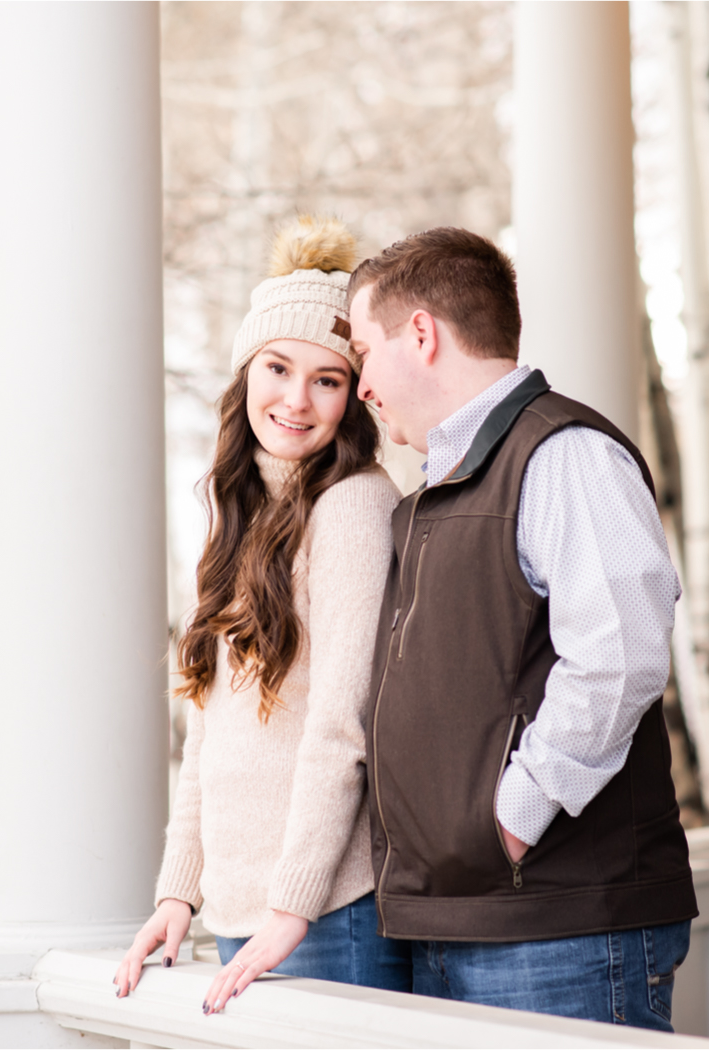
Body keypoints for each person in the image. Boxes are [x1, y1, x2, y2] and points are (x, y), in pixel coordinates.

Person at [346, 227, 697, 1031]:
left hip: (556, 926)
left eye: (364, 350)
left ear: (423, 334)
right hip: (461, 917)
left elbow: (619, 658)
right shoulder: (434, 496)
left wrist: (509, 822)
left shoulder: (563, 455)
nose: (362, 383)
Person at [114, 217, 411, 1012]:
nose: (296, 399)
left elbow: (342, 722)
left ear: (353, 397)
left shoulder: (352, 506)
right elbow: (210, 726)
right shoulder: (237, 512)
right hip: (248, 910)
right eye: (278, 367)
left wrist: (297, 903)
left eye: (328, 379)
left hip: (328, 912)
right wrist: (179, 890)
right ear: (247, 369)